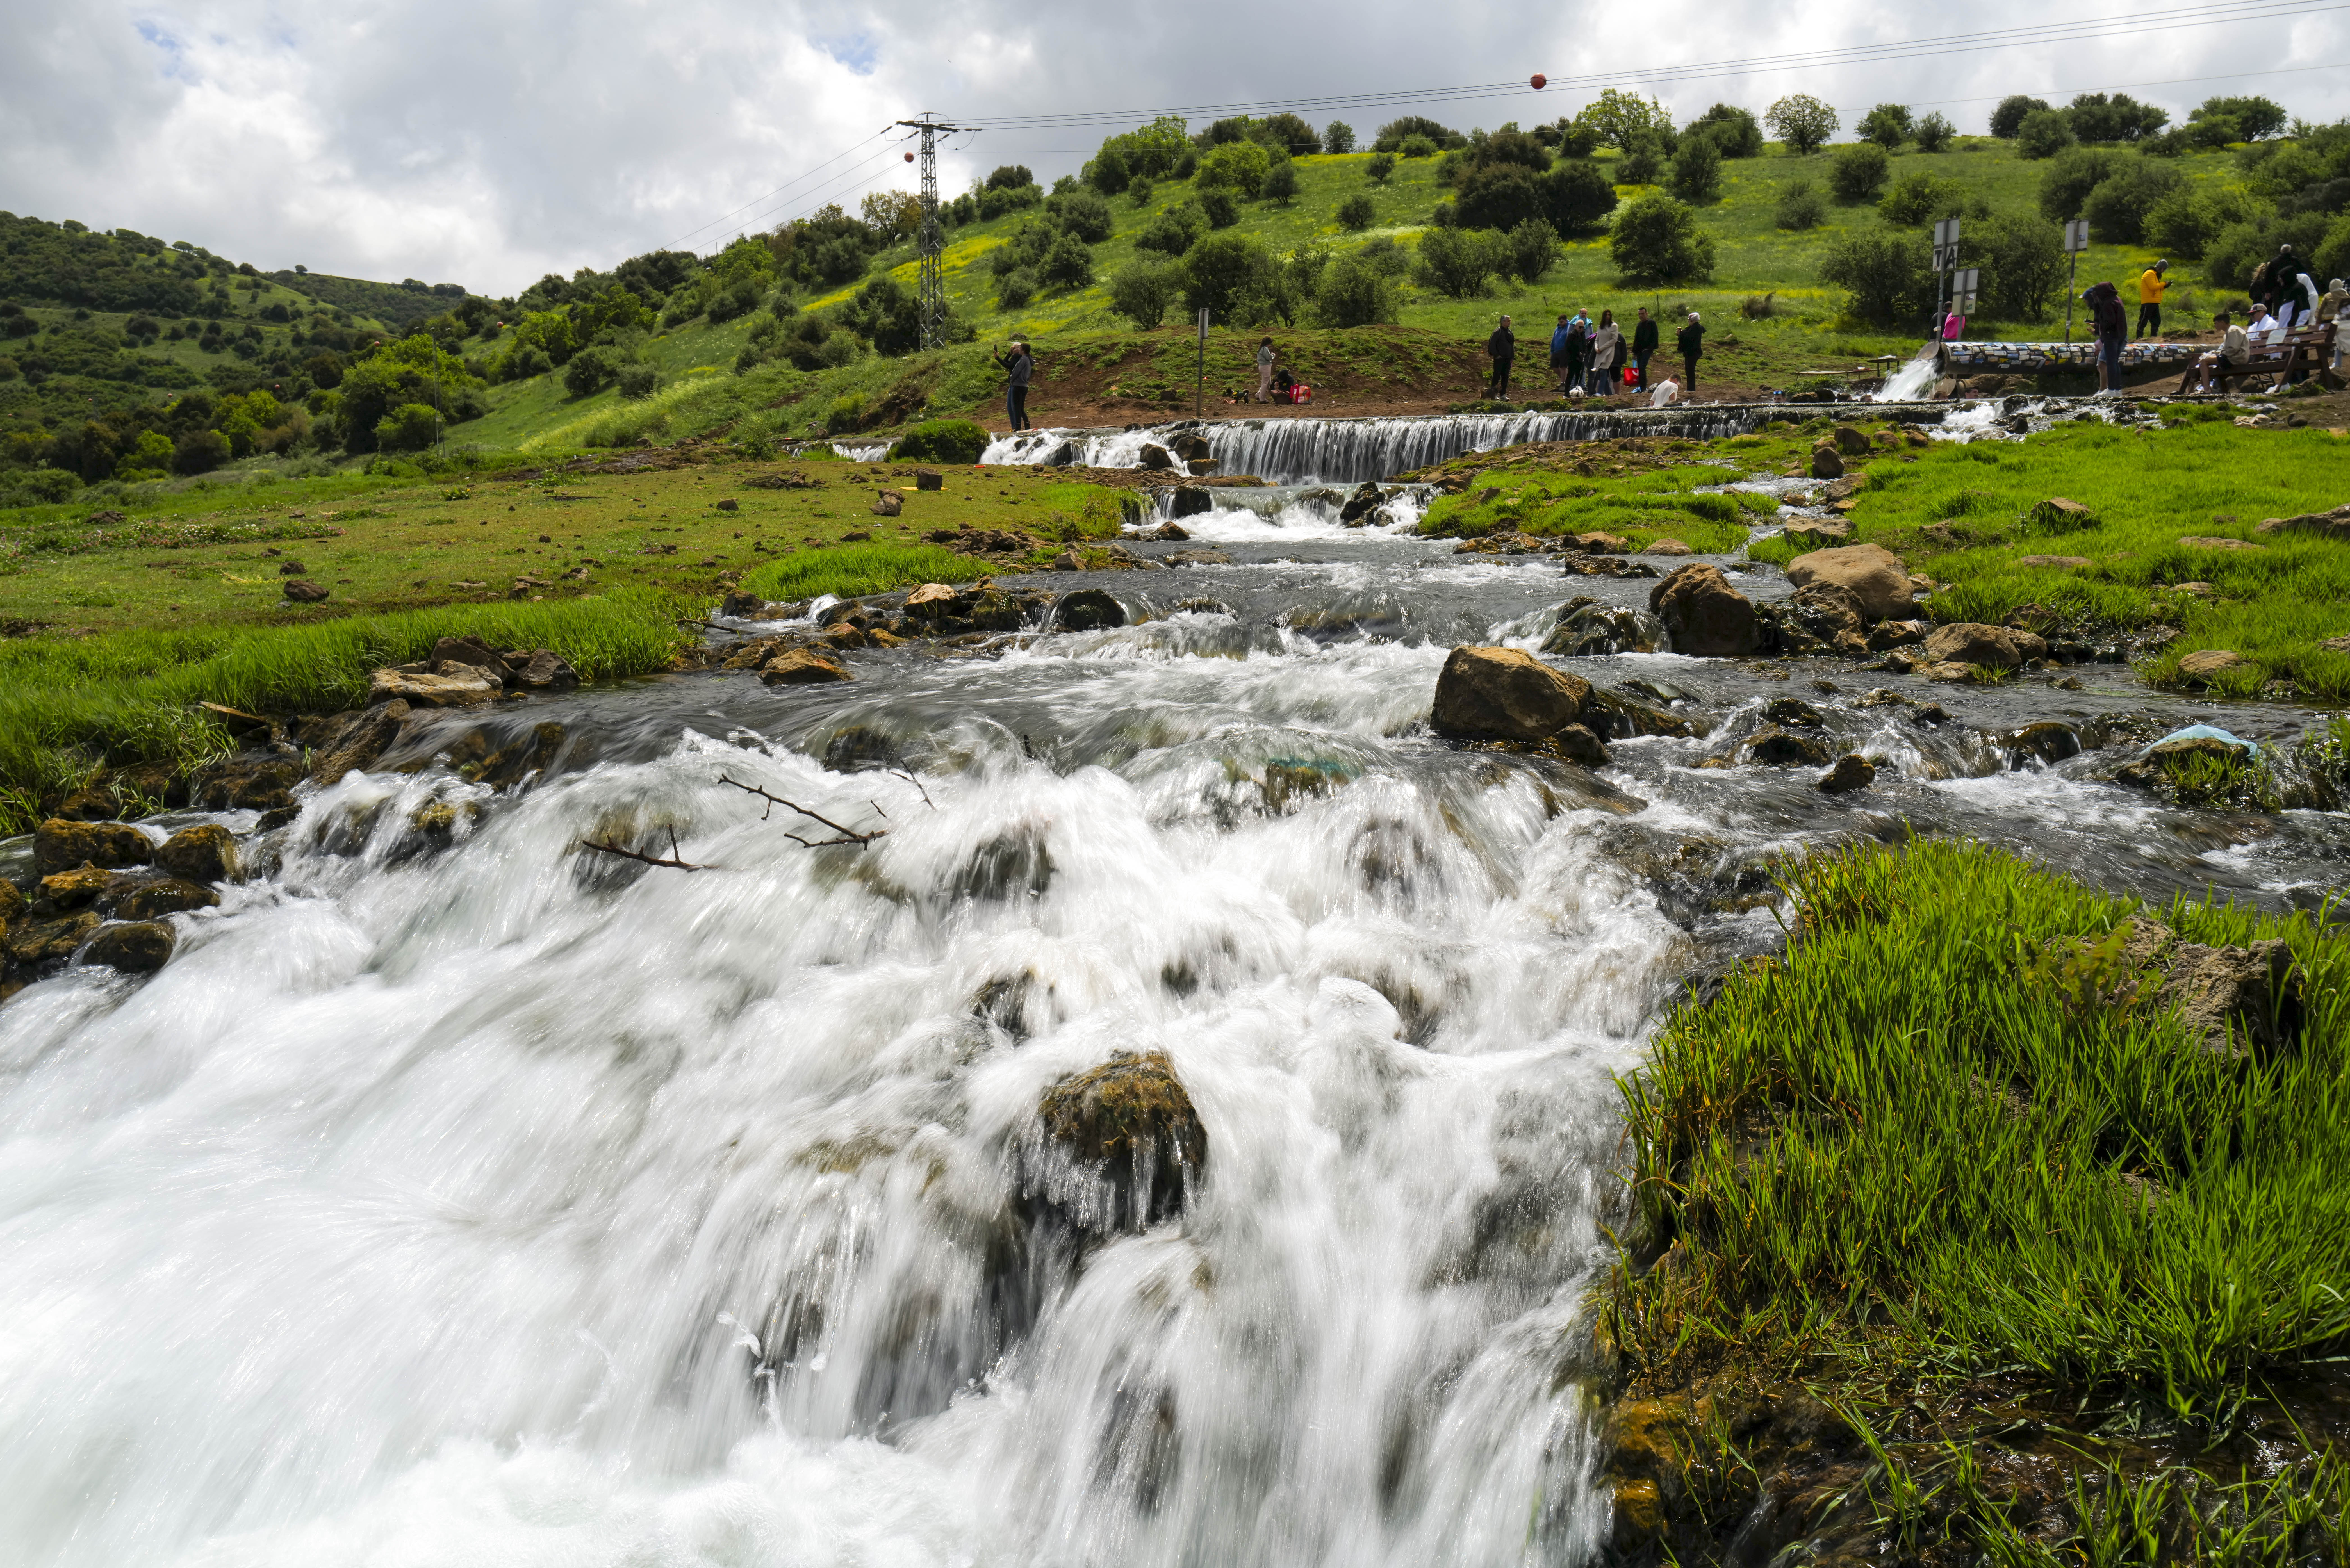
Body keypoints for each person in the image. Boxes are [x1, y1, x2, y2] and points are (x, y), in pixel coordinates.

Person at [2185, 310, 2248, 392]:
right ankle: (2208, 387)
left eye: (2216, 323)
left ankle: (2207, 390)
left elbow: (2233, 349)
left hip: (2236, 359)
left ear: (2222, 322)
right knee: (2207, 365)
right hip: (2234, 358)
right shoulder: (2229, 332)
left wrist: (2221, 355)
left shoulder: (2233, 330)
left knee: (2203, 362)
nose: (2215, 326)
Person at [2081, 281, 2126, 391]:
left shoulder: (2108, 303)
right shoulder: (2116, 300)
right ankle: (2115, 390)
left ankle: (2110, 390)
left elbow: (2109, 323)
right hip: (2119, 335)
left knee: (2107, 364)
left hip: (2112, 337)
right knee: (2113, 363)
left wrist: (2097, 326)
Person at [993, 339, 1033, 430]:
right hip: (1017, 384)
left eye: (1014, 348)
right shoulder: (1017, 357)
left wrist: (998, 359)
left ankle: (1017, 427)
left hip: (1016, 384)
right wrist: (1009, 354)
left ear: (1020, 349)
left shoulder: (1021, 359)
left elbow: (1010, 367)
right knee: (1013, 407)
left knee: (1015, 407)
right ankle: (1021, 426)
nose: (1012, 349)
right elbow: (1007, 362)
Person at [1590, 310, 1622, 395]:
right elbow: (1597, 339)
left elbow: (1614, 340)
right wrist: (1597, 348)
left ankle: (1600, 393)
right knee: (1601, 372)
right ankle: (1609, 394)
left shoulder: (1614, 326)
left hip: (1609, 351)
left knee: (1604, 371)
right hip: (1600, 352)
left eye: (1609, 315)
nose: (1608, 317)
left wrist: (1602, 348)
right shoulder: (1600, 327)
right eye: (1606, 315)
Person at [2136, 259, 2168, 339]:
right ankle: (2139, 339)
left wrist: (2165, 286)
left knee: (2156, 321)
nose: (2164, 271)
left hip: (2154, 302)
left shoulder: (2155, 274)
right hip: (2149, 302)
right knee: (2144, 321)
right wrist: (2164, 284)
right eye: (2164, 269)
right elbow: (2153, 287)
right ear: (2160, 268)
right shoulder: (2150, 273)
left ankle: (2153, 339)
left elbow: (2157, 289)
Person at [1485, 315, 1515, 399]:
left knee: (1505, 377)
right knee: (1497, 377)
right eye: (1508, 321)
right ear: (1503, 322)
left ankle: (1503, 395)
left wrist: (1512, 357)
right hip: (1499, 359)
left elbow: (1512, 345)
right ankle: (1494, 395)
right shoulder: (1498, 332)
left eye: (1510, 321)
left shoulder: (1510, 332)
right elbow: (1492, 344)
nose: (1510, 322)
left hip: (1508, 358)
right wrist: (1496, 355)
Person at [1675, 311, 1704, 394]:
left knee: (1690, 371)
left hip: (1693, 353)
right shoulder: (1695, 328)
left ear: (1693, 320)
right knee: (1689, 371)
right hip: (1692, 353)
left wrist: (1680, 335)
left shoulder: (1695, 328)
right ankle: (1691, 389)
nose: (1688, 321)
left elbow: (1688, 338)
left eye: (1689, 319)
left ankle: (1691, 390)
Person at [1631, 306, 1659, 389]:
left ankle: (1643, 387)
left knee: (1642, 367)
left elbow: (1655, 337)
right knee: (1640, 369)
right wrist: (1635, 352)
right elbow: (1637, 339)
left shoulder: (1652, 323)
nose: (1641, 316)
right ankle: (1642, 387)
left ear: (1647, 314)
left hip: (1648, 350)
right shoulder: (1639, 325)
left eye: (1643, 314)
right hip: (1640, 351)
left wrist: (1651, 348)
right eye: (1639, 314)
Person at [1548, 314, 1573, 395]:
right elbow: (1554, 340)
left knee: (1563, 367)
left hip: (1564, 351)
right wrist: (1552, 351)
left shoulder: (1569, 328)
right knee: (1554, 367)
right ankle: (1565, 380)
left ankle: (1563, 383)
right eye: (1560, 322)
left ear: (1566, 321)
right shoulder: (1558, 329)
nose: (1561, 324)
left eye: (1562, 322)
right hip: (1556, 351)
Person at [1254, 337, 1277, 403]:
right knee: (1265, 384)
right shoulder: (1265, 349)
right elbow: (1269, 358)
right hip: (1266, 367)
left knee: (1268, 383)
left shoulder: (1261, 348)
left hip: (1262, 367)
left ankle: (1259, 395)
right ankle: (1262, 399)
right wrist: (1273, 355)